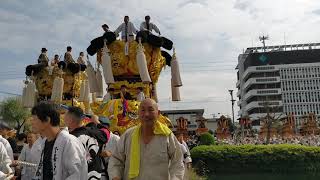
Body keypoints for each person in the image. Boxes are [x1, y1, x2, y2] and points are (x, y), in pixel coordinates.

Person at [108, 98, 184, 180]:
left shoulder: (167, 136)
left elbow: (178, 163)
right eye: (143, 110)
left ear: (158, 113)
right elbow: (116, 159)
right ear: (138, 113)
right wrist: (115, 176)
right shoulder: (128, 135)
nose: (146, 114)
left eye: (151, 110)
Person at [31, 102, 88, 180]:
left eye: (34, 119)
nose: (31, 122)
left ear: (47, 120)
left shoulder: (69, 142)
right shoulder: (44, 142)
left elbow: (76, 175)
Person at [64, 106, 105, 180]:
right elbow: (106, 133)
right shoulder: (93, 132)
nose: (63, 118)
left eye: (65, 116)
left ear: (71, 120)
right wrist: (96, 121)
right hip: (95, 175)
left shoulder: (68, 138)